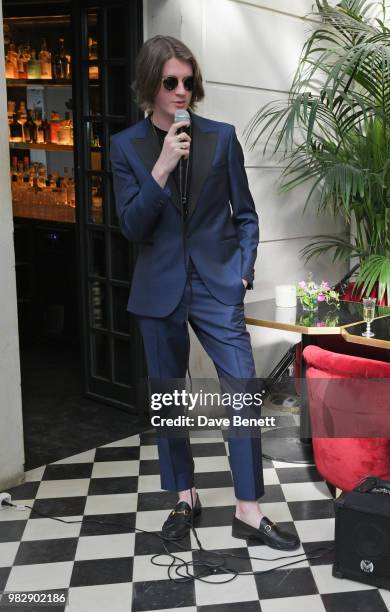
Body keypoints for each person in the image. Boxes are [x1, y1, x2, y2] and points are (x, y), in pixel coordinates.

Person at [110, 35, 299, 551]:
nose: (181, 91)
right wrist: (164, 163)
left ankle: (249, 509)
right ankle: (184, 497)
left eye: (188, 82)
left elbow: (246, 215)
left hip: (218, 286)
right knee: (171, 401)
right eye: (170, 82)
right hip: (159, 290)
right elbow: (132, 225)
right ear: (151, 85)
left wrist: (242, 272)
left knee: (241, 389)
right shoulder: (127, 146)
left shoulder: (221, 137)